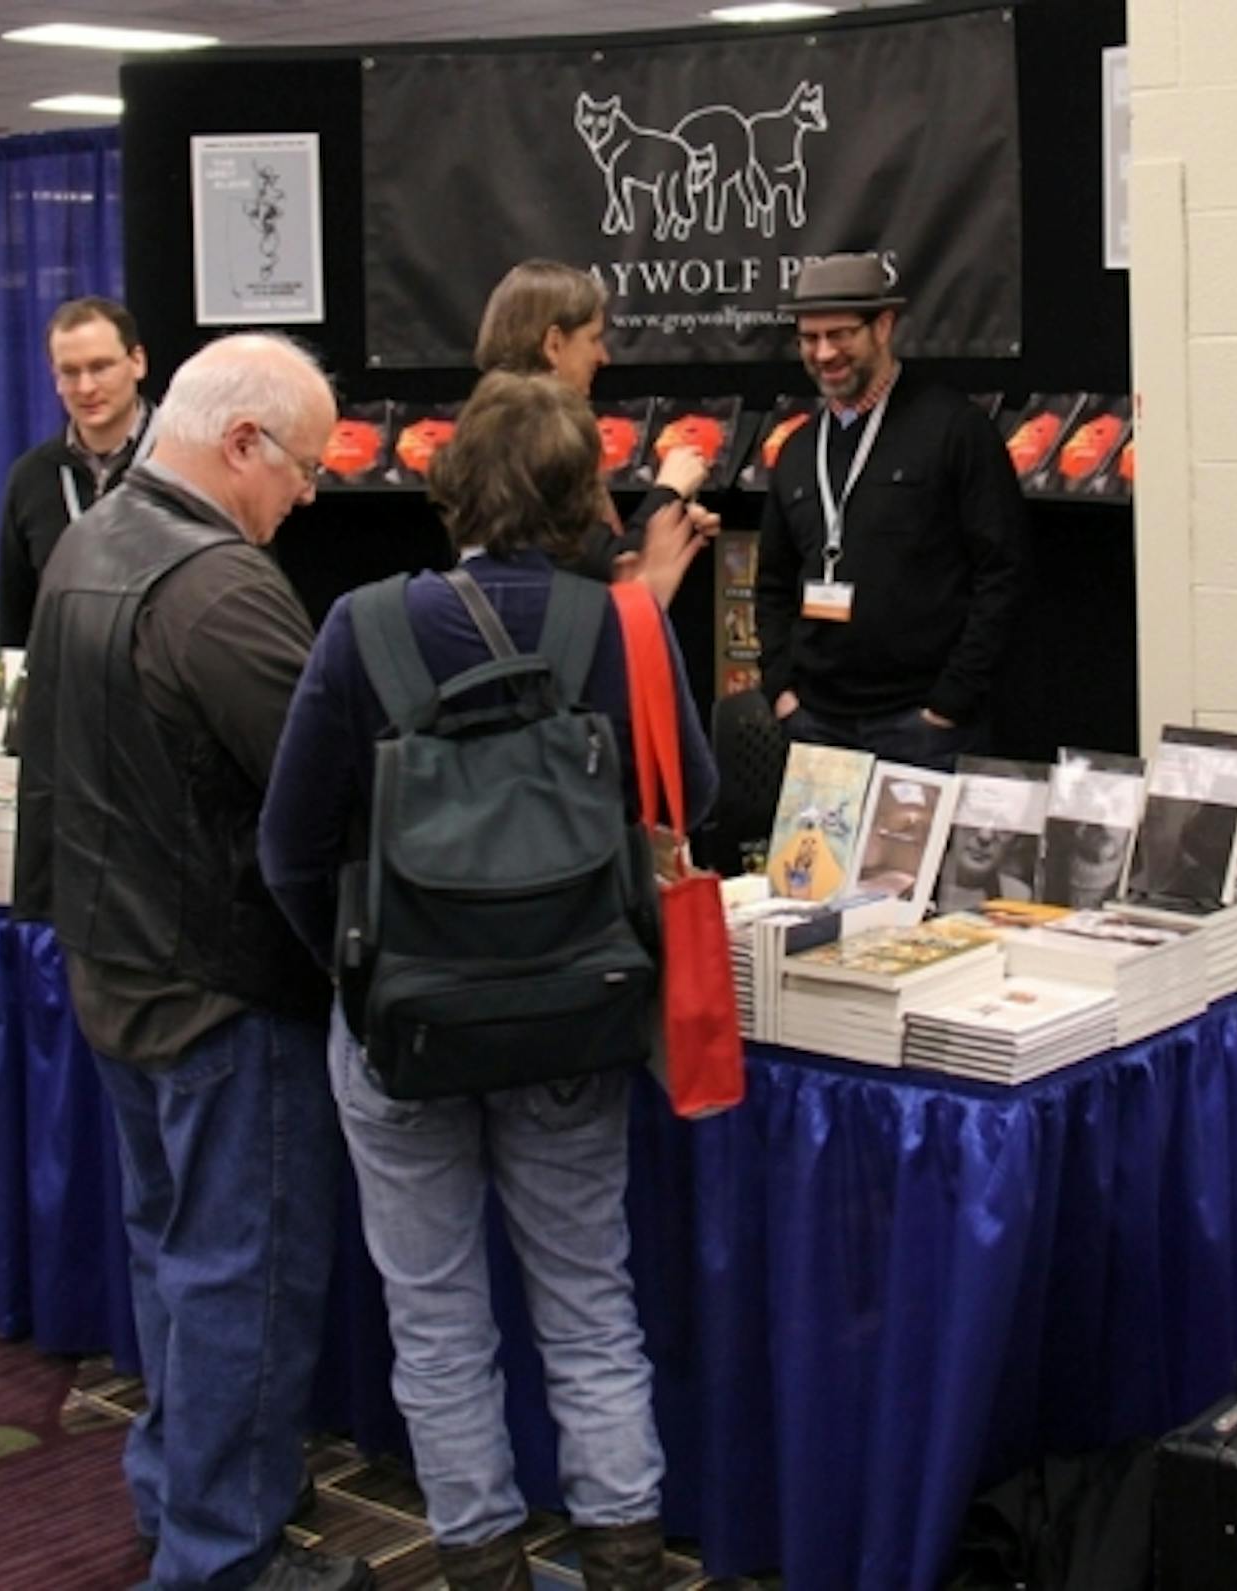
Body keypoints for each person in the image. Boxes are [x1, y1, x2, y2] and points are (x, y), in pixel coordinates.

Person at [258, 372, 715, 1591]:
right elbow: (697, 801)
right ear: (588, 498)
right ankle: (622, 1549)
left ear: (449, 488)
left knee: (436, 1315)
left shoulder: (362, 624)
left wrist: (362, 977)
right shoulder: (625, 627)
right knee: (586, 1296)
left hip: (401, 1027)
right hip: (577, 1014)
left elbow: (289, 847)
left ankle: (479, 1558)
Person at [14, 333, 370, 1591]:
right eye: (306, 467)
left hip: (120, 967)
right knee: (243, 1283)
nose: (312, 493)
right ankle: (224, 1553)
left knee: (177, 1265)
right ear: (240, 447)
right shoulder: (219, 587)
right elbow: (328, 786)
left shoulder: (88, 542)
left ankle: (182, 1505)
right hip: (227, 986)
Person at [756, 252, 1027, 772]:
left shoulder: (954, 429)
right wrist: (781, 688)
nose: (824, 352)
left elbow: (1003, 572)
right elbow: (773, 582)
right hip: (815, 724)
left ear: (883, 326)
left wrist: (950, 702)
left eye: (840, 334)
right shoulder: (797, 450)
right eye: (809, 338)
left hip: (921, 728)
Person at [474, 259, 718, 606]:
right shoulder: (540, 433)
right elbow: (613, 566)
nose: (603, 356)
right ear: (554, 345)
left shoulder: (489, 426)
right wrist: (669, 492)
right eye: (593, 338)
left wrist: (673, 526)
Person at [0, 296, 154, 647]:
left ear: (137, 362)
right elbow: (15, 617)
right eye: (70, 372)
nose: (85, 388)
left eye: (100, 367)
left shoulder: (185, 461)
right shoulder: (31, 477)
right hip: (68, 691)